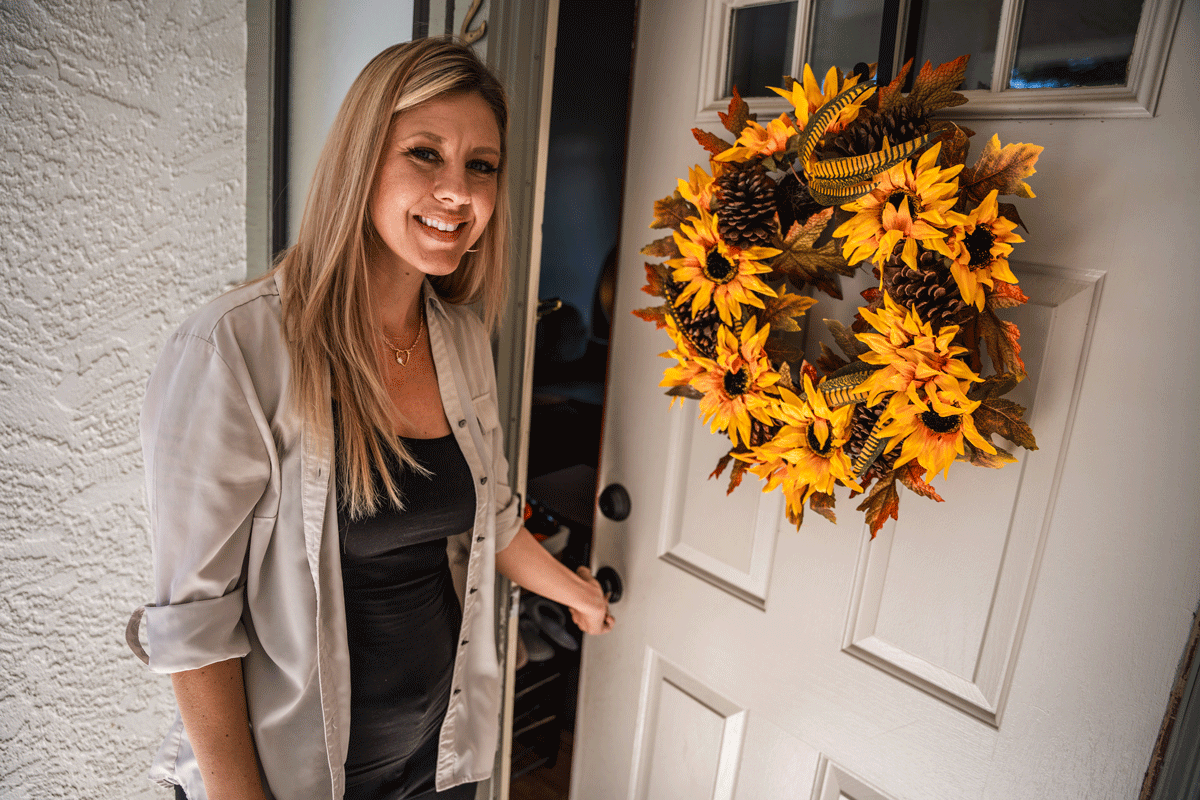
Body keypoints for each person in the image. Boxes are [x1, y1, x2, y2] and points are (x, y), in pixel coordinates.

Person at [128, 38, 614, 800]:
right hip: (297, 779)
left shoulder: (458, 339)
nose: (458, 191)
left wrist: (576, 594)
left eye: (481, 166)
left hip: (440, 761)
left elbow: (495, 517)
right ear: (361, 160)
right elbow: (194, 628)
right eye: (426, 154)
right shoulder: (235, 348)